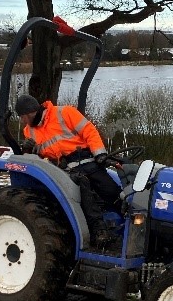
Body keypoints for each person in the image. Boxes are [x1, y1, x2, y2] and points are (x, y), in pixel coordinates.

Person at [14, 94, 120, 248]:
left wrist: (100, 154)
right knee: (83, 187)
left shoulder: (64, 113)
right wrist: (27, 149)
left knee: (109, 188)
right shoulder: (28, 132)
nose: (22, 121)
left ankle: (127, 214)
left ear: (29, 113)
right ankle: (99, 230)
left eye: (22, 117)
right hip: (63, 169)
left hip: (85, 159)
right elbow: (36, 158)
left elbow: (88, 131)